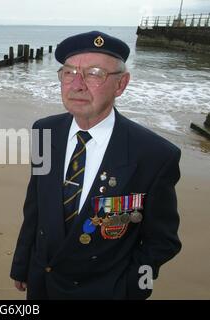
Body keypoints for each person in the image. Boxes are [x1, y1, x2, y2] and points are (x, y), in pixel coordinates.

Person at [10, 31, 182, 300]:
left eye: (94, 73)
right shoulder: (44, 131)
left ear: (121, 84)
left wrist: (132, 288)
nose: (77, 84)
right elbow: (35, 207)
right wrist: (22, 265)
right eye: (69, 72)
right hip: (42, 283)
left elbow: (162, 242)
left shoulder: (155, 155)